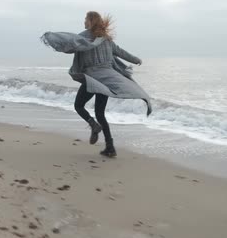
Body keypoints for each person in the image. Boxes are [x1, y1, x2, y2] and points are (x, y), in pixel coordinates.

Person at [41, 11, 152, 157]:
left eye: (86, 19)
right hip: (107, 80)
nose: (84, 22)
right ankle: (110, 147)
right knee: (100, 113)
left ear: (91, 21)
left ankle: (93, 125)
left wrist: (52, 37)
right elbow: (121, 52)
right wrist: (136, 59)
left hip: (92, 79)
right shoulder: (107, 40)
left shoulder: (83, 38)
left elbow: (70, 45)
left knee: (78, 106)